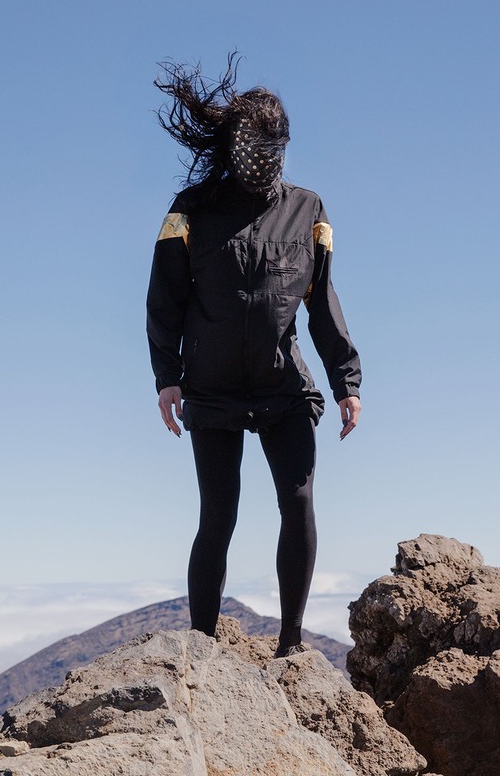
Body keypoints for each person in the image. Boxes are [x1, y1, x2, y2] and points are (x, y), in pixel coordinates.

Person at [146, 55, 361, 657]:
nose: (262, 160)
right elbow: (164, 299)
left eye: (273, 149)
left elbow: (323, 303)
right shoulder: (191, 209)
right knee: (218, 516)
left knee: (299, 503)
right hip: (211, 389)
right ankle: (202, 650)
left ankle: (290, 646)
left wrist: (346, 381)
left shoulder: (308, 211)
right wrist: (167, 377)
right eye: (253, 148)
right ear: (234, 145)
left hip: (282, 387)